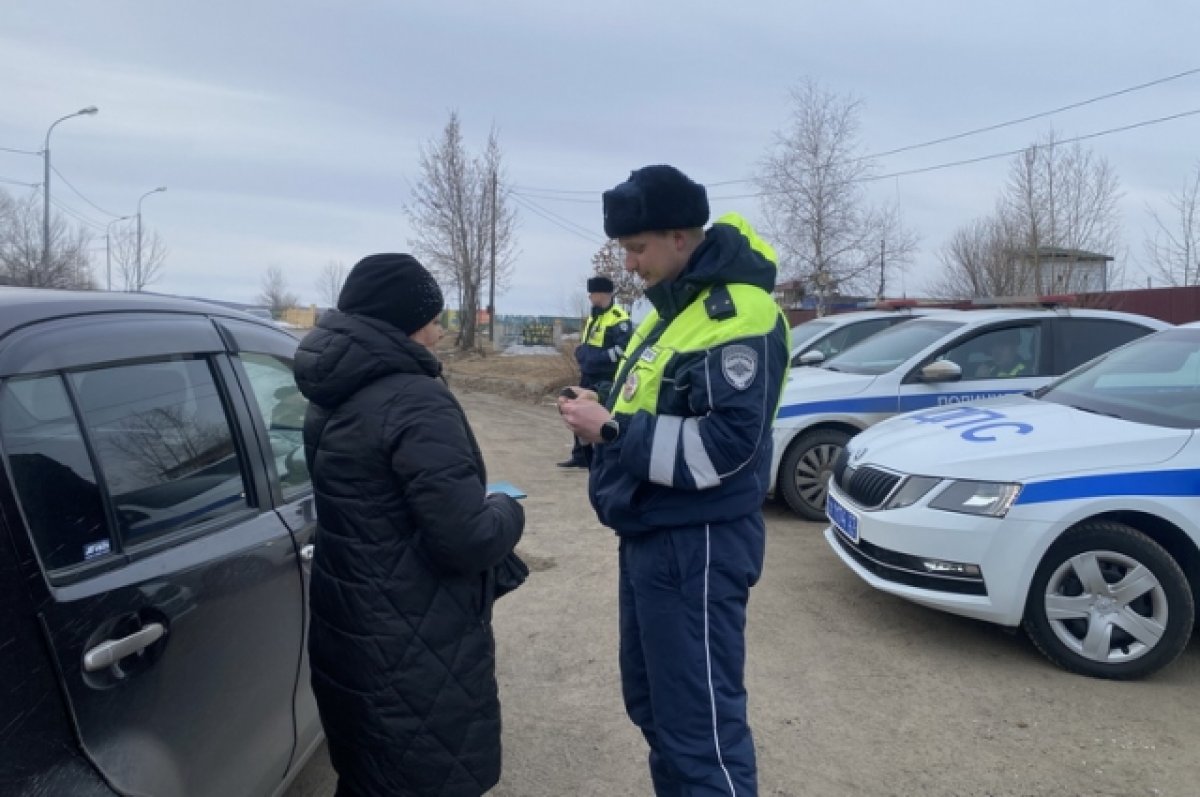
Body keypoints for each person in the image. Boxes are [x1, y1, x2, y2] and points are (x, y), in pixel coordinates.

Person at [558, 165, 789, 796]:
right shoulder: (669, 311)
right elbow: (650, 400)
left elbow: (724, 452)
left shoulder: (739, 314)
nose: (630, 265)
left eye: (637, 248)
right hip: (652, 537)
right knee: (656, 710)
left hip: (698, 544)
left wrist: (607, 432)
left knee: (701, 733)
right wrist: (601, 401)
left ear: (680, 238)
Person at [294, 253, 526, 797]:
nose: (441, 334)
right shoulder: (415, 400)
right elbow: (466, 539)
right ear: (406, 323)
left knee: (369, 776)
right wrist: (508, 509)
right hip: (413, 645)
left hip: (350, 630)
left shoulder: (332, 393)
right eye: (433, 320)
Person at [559, 275, 633, 468]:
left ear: (603, 293)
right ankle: (580, 455)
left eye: (592, 293)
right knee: (577, 411)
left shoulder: (619, 318)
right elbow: (588, 342)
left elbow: (623, 349)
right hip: (588, 374)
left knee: (602, 418)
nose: (590, 297)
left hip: (606, 377)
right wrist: (581, 353)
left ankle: (604, 458)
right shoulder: (594, 316)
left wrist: (596, 358)